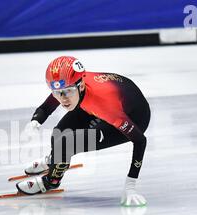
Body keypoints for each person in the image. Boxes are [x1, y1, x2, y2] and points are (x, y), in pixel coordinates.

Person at [16, 56, 151, 206]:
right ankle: (56, 161)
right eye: (57, 92)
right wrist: (35, 121)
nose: (63, 99)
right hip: (99, 103)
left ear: (80, 86)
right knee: (59, 133)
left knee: (67, 143)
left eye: (67, 92)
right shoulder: (69, 85)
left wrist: (130, 184)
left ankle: (51, 182)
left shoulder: (105, 105)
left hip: (133, 117)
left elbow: (140, 140)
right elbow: (46, 107)